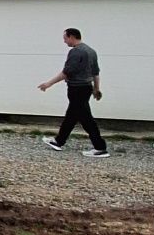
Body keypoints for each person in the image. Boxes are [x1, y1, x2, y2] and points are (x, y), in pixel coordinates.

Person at [39, 26, 108, 156]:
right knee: (71, 116)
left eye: (65, 38)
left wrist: (48, 84)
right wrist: (96, 89)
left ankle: (100, 148)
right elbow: (96, 73)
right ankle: (58, 141)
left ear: (71, 37)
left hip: (77, 88)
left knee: (86, 119)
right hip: (86, 87)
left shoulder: (76, 52)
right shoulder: (91, 51)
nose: (64, 41)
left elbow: (66, 72)